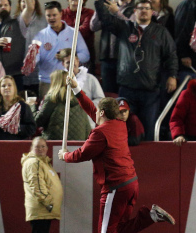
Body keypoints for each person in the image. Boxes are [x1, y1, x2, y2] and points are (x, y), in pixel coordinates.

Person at [59, 95, 176, 231]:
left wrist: (65, 155)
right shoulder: (120, 125)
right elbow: (92, 110)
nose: (94, 112)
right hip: (131, 184)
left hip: (115, 187)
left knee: (106, 231)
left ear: (102, 113)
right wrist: (77, 90)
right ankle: (151, 217)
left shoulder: (100, 133)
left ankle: (150, 217)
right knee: (119, 229)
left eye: (98, 111)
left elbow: (82, 154)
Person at [92, 0, 178, 133]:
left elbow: (171, 55)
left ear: (152, 12)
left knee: (148, 129)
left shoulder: (161, 32)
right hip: (127, 89)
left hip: (150, 91)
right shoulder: (125, 28)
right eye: (140, 8)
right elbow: (105, 19)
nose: (143, 11)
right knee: (124, 130)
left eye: (147, 8)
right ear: (135, 12)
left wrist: (172, 75)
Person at [34, 69, 91, 141]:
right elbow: (86, 125)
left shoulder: (53, 98)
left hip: (55, 144)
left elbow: (38, 122)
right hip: (78, 143)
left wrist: (31, 106)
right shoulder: (80, 98)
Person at [21, 137, 63, 233]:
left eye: (43, 146)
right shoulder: (34, 163)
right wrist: (49, 203)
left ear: (47, 148)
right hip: (41, 209)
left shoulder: (43, 163)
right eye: (37, 146)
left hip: (43, 210)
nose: (40, 149)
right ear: (31, 148)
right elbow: (37, 186)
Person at [0, 75, 36, 140]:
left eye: (9, 85)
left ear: (14, 88)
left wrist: (14, 127)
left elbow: (31, 129)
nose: (6, 88)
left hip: (16, 145)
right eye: (3, 86)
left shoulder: (23, 106)